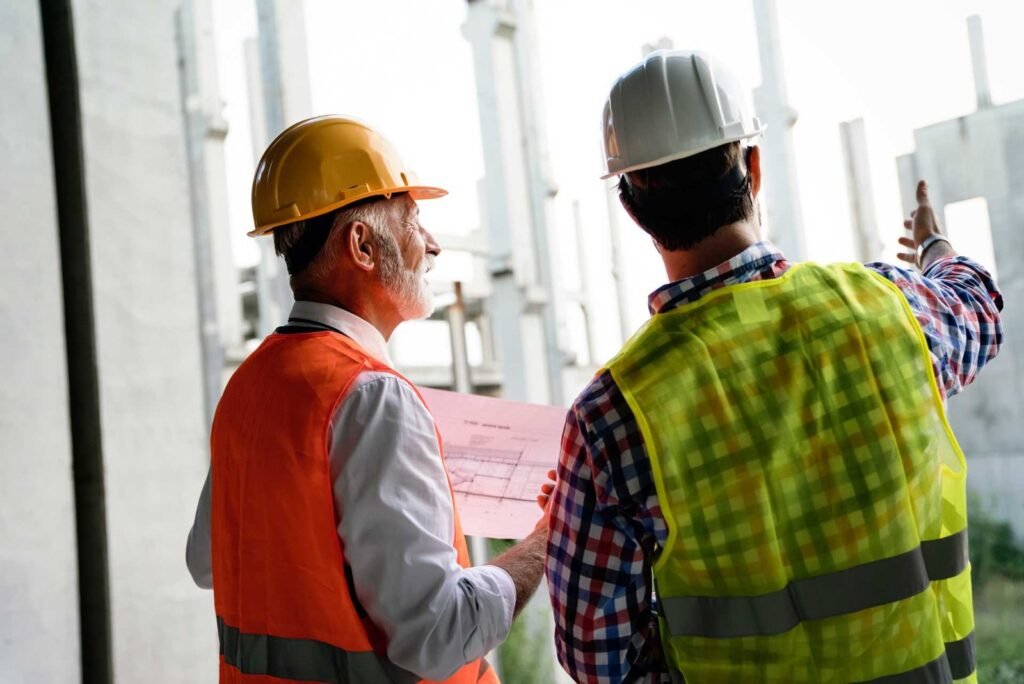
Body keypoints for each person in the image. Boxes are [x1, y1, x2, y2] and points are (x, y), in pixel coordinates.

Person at [545, 50, 1004, 682]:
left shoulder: (612, 415)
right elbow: (978, 305)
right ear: (753, 166)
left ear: (631, 208)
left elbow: (597, 655)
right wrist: (934, 245)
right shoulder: (889, 309)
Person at [186, 115, 549, 683]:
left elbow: (207, 562)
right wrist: (546, 542)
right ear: (360, 245)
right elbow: (438, 634)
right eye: (413, 220)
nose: (430, 246)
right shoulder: (373, 398)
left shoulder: (250, 385)